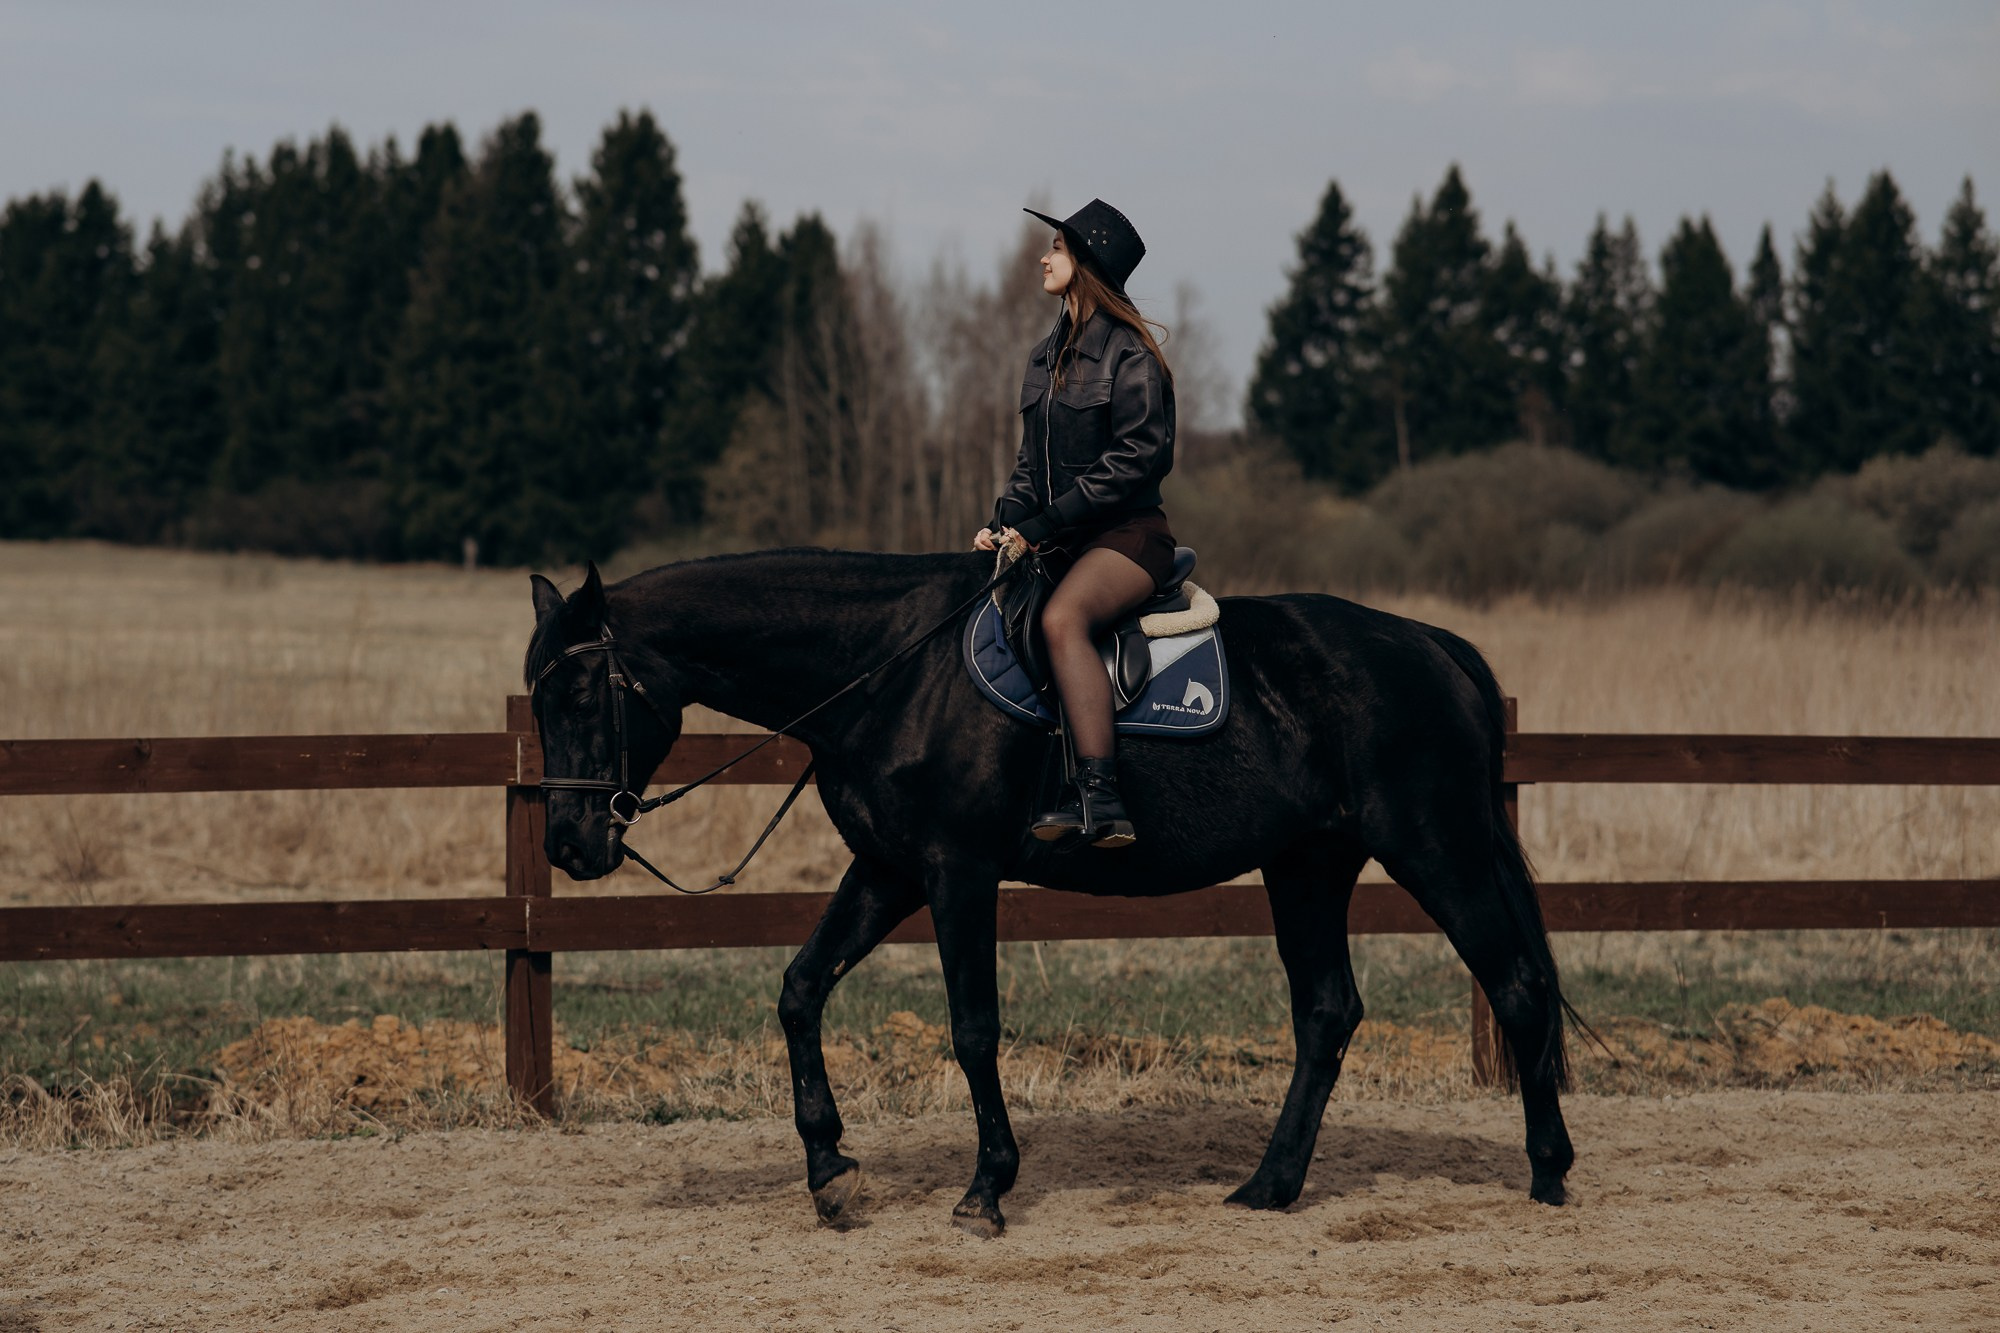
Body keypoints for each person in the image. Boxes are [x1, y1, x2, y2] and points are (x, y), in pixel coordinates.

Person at [973, 199, 1177, 850]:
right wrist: (1004, 522)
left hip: (1129, 537)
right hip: (1060, 537)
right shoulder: (1042, 357)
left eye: (1057, 248)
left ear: (1087, 262)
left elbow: (1138, 458)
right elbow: (1029, 465)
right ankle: (1047, 785)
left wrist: (1046, 521)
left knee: (1063, 618)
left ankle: (1101, 794)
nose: (1043, 256)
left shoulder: (1132, 354)